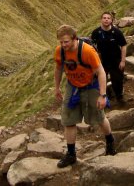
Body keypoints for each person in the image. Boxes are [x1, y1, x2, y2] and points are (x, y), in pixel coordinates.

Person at [54, 24, 117, 168]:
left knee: (99, 117)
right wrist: (57, 87)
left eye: (66, 42)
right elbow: (58, 68)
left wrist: (103, 95)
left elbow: (101, 72)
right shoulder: (60, 52)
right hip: (73, 86)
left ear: (74, 38)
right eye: (61, 42)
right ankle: (71, 154)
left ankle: (110, 142)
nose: (63, 45)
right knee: (68, 120)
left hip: (91, 86)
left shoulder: (87, 51)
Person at [91, 11, 128, 102]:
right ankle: (104, 97)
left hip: (115, 60)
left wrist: (123, 61)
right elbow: (91, 47)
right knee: (101, 80)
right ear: (101, 20)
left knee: (118, 80)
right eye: (104, 18)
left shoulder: (116, 32)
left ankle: (119, 97)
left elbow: (123, 45)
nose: (106, 20)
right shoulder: (96, 32)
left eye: (108, 18)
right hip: (101, 61)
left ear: (111, 20)